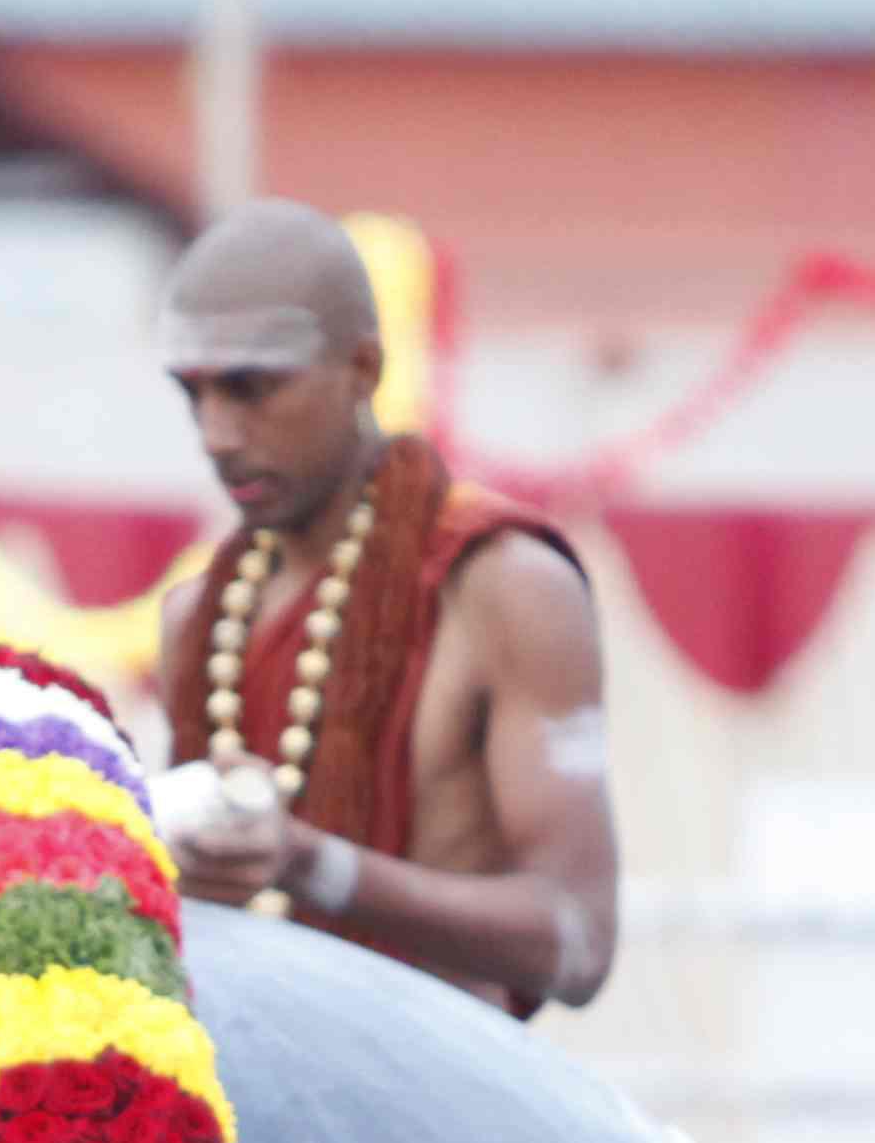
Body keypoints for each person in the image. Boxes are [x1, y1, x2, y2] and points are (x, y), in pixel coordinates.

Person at [144, 201, 619, 1016]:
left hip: (440, 1115)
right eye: (194, 394)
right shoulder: (198, 618)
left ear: (363, 370)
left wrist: (314, 865)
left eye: (251, 388)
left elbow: (578, 940)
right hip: (244, 1107)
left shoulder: (501, 585)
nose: (217, 434)